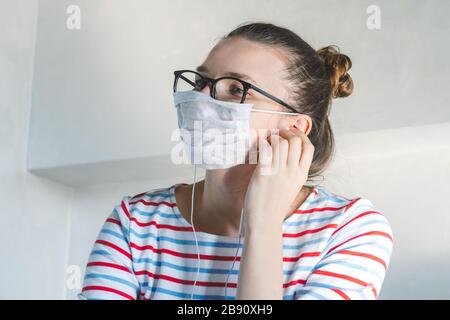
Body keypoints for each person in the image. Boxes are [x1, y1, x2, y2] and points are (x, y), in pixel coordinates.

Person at [78, 22, 393, 300]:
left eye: (237, 89)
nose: (202, 97)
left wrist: (263, 226)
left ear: (294, 127)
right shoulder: (135, 222)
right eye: (201, 81)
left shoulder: (349, 229)